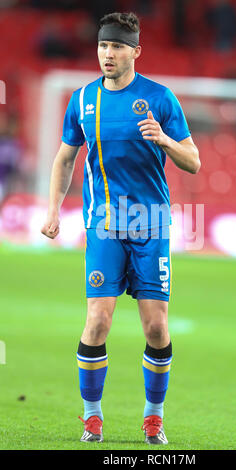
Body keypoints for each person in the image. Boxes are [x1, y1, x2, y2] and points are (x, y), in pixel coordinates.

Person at [41, 11, 200, 445]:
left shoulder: (161, 99)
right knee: (97, 321)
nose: (107, 54)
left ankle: (153, 418)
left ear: (135, 52)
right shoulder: (83, 99)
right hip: (105, 225)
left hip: (150, 224)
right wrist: (54, 210)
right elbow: (64, 159)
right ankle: (92, 417)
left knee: (155, 328)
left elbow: (193, 161)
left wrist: (166, 141)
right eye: (102, 46)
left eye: (116, 47)